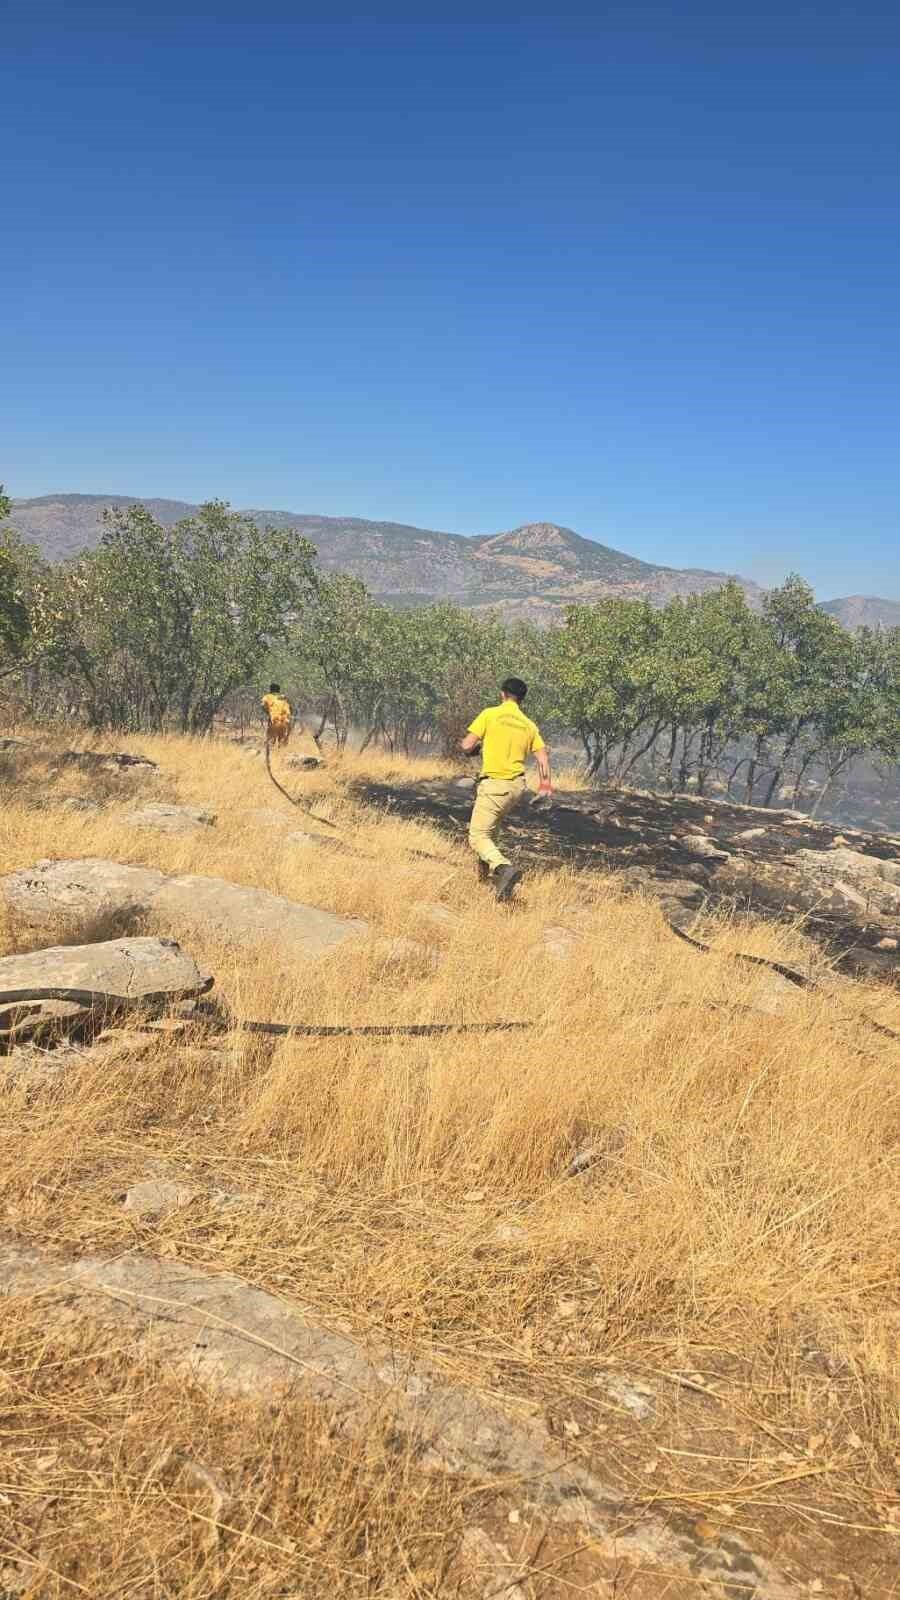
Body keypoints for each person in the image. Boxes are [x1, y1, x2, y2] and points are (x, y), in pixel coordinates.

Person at [460, 676, 552, 900]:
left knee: (477, 836)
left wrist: (477, 748)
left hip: (494, 784)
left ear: (502, 694)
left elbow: (466, 745)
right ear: (522, 699)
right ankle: (484, 880)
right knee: (491, 831)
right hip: (516, 787)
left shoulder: (490, 714)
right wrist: (545, 787)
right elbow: (542, 759)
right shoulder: (529, 725)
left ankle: (503, 868)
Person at [261, 682, 293, 747]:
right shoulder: (284, 697)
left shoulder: (267, 697)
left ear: (270, 689)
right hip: (284, 722)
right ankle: (281, 754)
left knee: (270, 742)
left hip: (274, 721)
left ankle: (270, 755)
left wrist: (268, 712)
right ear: (279, 690)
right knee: (281, 742)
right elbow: (290, 708)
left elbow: (262, 706)